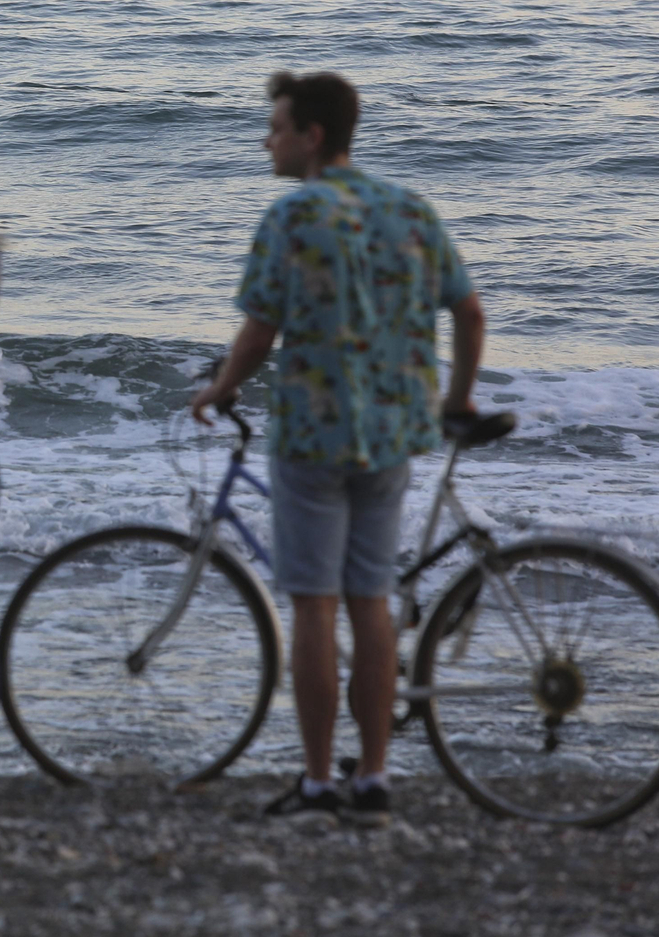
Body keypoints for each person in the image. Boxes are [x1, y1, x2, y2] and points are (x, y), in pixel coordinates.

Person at [190, 72, 485, 827]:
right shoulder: (410, 209)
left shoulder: (293, 216)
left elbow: (258, 332)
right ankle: (377, 775)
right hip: (392, 434)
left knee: (315, 608)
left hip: (313, 437)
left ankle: (320, 781)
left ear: (312, 136)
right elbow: (470, 311)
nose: (268, 139)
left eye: (277, 126)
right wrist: (455, 401)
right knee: (371, 605)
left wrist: (219, 388)